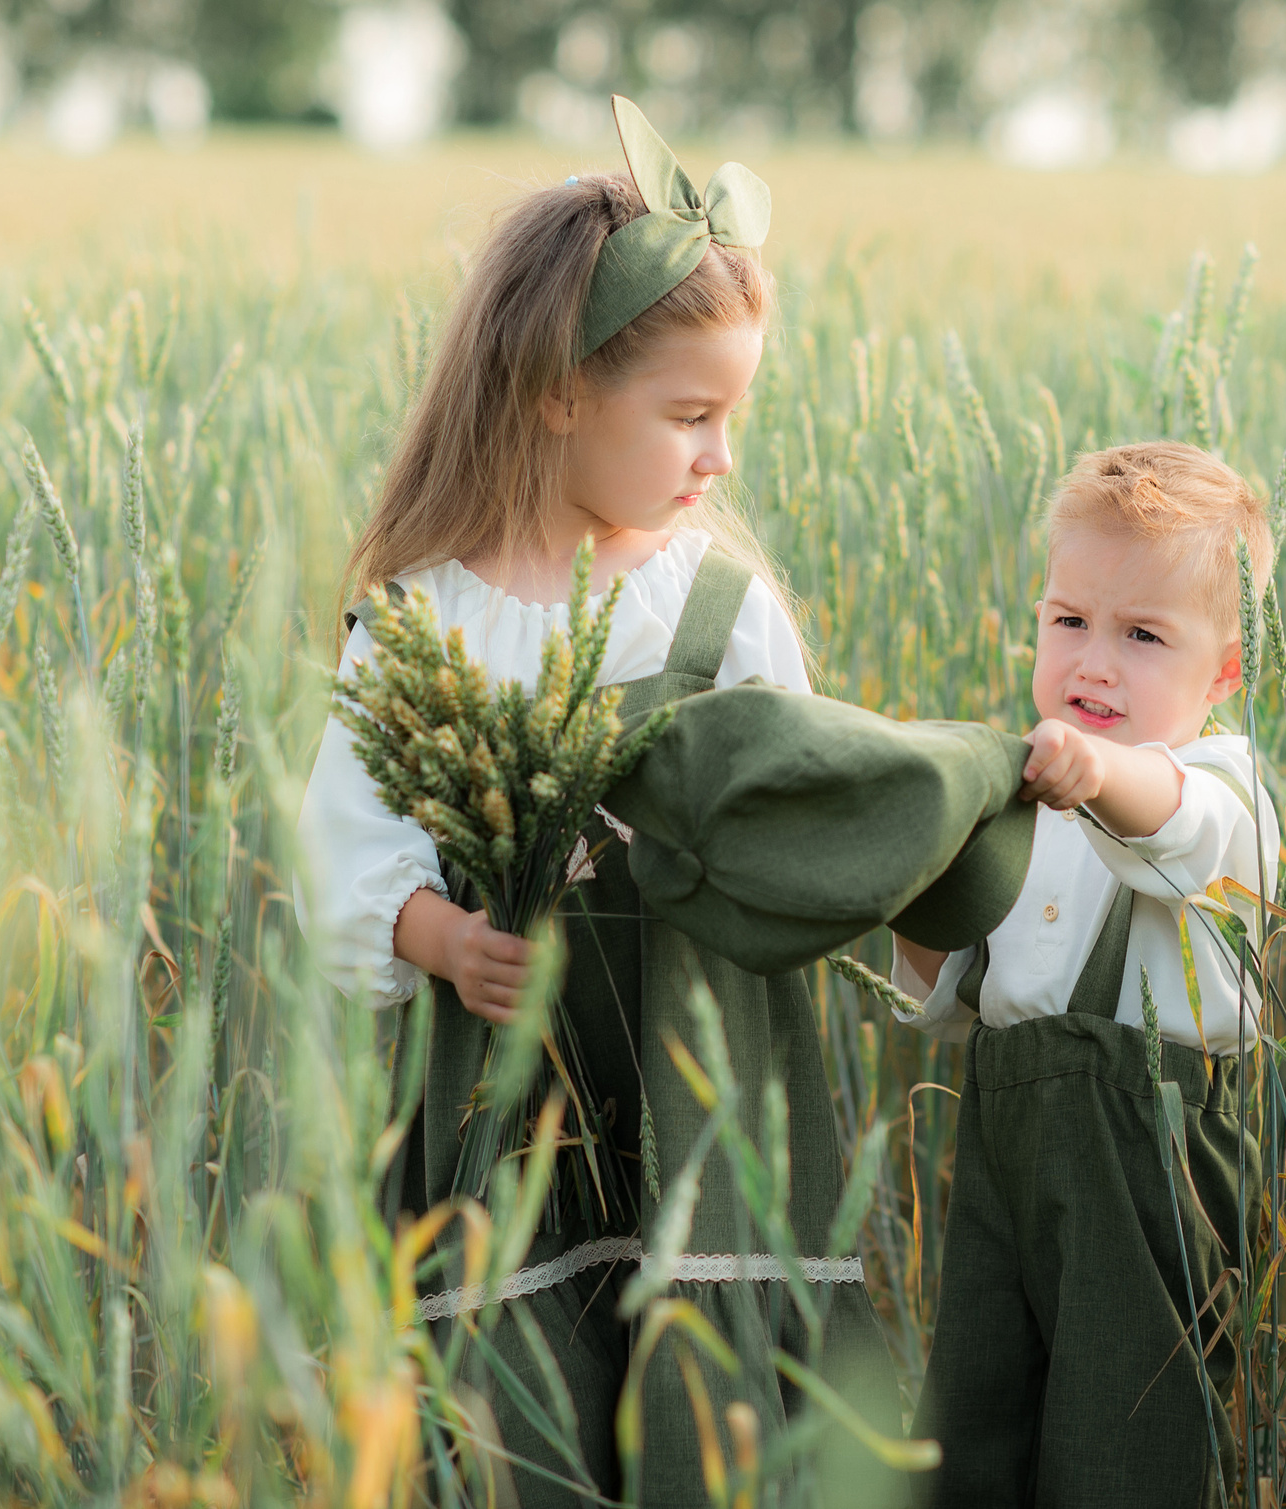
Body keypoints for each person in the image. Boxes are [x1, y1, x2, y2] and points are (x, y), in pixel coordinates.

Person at [296, 97, 896, 1506]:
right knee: (526, 1420)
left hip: (698, 1101)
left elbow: (799, 814)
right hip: (497, 1122)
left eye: (731, 416)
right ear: (558, 391)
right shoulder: (415, 623)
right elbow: (343, 848)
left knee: (702, 1408)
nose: (720, 459)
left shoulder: (722, 612)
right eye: (691, 415)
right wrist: (435, 935)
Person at [893, 440, 1279, 1508]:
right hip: (1006, 1155)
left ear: (1225, 670)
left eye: (1143, 634)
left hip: (1147, 1166)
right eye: (1068, 620)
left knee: (1122, 1438)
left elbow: (1174, 825)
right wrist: (898, 870)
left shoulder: (1223, 788)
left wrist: (1093, 771)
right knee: (973, 1422)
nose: (1092, 662)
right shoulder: (1028, 793)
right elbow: (955, 987)